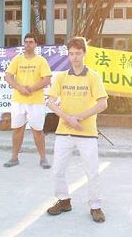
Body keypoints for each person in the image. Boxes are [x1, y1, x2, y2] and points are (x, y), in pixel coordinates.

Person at [45, 37, 108, 223]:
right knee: (58, 170)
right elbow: (49, 101)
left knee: (92, 171)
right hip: (64, 132)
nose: (74, 57)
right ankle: (64, 200)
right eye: (71, 53)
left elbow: (103, 103)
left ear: (85, 53)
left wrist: (80, 117)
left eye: (78, 53)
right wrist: (68, 119)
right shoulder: (61, 77)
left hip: (87, 132)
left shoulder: (93, 76)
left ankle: (95, 206)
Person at [3, 33, 52, 169]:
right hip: (18, 101)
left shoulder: (41, 61)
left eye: (31, 42)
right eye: (26, 42)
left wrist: (30, 89)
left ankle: (43, 158)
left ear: (36, 44)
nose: (28, 44)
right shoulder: (17, 59)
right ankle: (14, 158)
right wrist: (20, 88)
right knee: (18, 129)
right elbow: (8, 76)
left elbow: (47, 79)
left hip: (36, 101)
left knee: (37, 130)